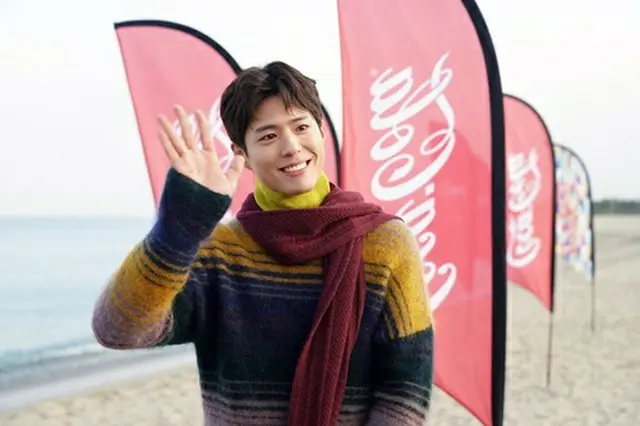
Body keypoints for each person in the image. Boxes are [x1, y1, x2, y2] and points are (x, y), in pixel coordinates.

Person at [92, 61, 434, 426]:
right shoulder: (218, 253)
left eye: (301, 127)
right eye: (268, 136)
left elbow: (404, 393)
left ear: (320, 130)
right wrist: (179, 229)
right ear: (242, 153)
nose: (291, 147)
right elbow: (118, 330)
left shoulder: (385, 243)